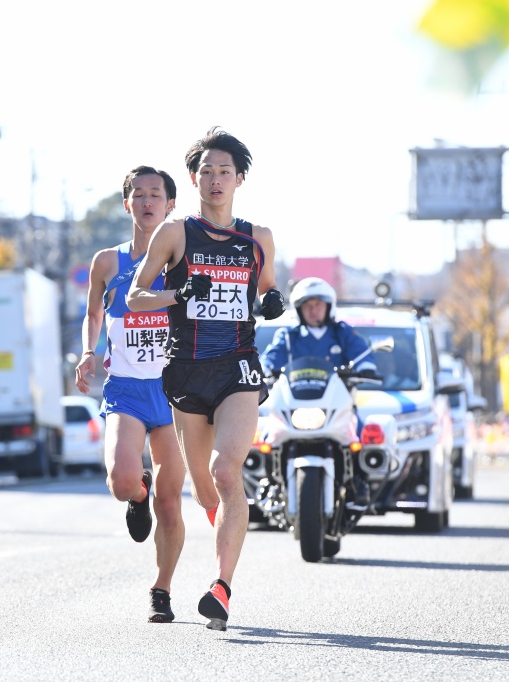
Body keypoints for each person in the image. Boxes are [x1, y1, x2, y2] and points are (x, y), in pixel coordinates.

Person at [127, 127, 285, 631]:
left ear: (240, 179)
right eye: (207, 171)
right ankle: (226, 536)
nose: (215, 179)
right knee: (206, 491)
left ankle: (222, 586)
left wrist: (274, 300)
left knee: (225, 470)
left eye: (225, 171)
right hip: (188, 369)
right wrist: (179, 295)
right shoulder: (174, 234)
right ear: (194, 179)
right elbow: (135, 297)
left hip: (238, 365)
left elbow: (267, 289)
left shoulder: (258, 237)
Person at [74, 165, 186, 624]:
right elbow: (94, 316)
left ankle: (162, 589)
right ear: (127, 204)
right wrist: (87, 351)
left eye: (154, 194)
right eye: (137, 194)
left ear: (170, 204)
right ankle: (135, 495)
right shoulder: (107, 262)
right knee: (122, 481)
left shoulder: (183, 261)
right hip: (125, 388)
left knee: (171, 499)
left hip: (176, 392)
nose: (146, 201)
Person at [259, 277, 377, 504]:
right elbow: (272, 356)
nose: (313, 311)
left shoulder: (342, 333)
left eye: (318, 305)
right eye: (308, 306)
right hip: (297, 403)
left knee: (359, 431)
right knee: (267, 433)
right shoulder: (289, 336)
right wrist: (263, 369)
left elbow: (361, 353)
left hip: (335, 403)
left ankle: (358, 482)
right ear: (299, 310)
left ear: (329, 307)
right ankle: (271, 481)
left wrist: (366, 368)